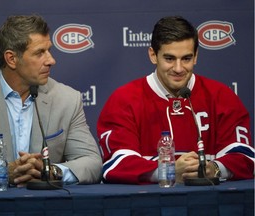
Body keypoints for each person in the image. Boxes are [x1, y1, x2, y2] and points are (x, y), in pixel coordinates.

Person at [97, 16, 254, 184]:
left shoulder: (222, 96)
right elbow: (116, 164)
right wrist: (168, 172)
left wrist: (214, 169)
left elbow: (244, 156)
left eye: (186, 58)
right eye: (170, 59)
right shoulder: (123, 100)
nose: (178, 69)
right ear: (153, 55)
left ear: (195, 57)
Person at [0, 15, 102, 187]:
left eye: (49, 50)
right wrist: (2, 172)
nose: (51, 60)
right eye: (40, 53)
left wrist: (51, 171)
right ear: (11, 59)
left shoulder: (68, 99)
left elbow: (92, 162)